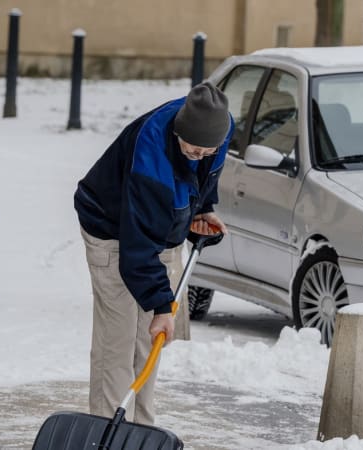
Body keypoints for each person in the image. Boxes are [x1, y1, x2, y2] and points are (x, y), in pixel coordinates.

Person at [74, 81, 233, 425]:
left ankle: (141, 431)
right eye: (192, 150)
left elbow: (204, 175)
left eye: (207, 151)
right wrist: (162, 305)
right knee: (117, 344)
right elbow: (137, 245)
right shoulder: (151, 153)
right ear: (178, 132)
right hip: (112, 230)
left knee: (150, 341)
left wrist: (202, 208)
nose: (199, 156)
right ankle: (108, 435)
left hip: (158, 233)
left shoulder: (217, 131)